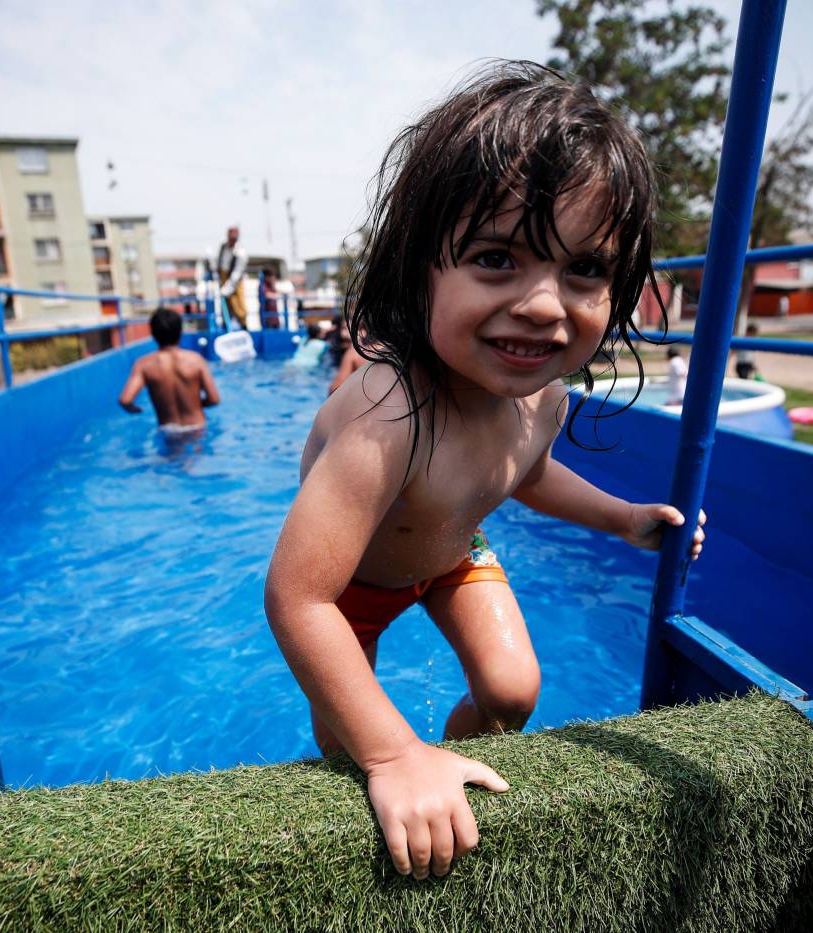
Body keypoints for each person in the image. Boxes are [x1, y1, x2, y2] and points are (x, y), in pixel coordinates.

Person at [264, 62, 706, 883]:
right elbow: (299, 595)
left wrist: (624, 518)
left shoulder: (543, 399)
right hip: (350, 583)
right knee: (345, 752)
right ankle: (407, 760)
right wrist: (389, 753)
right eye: (497, 257)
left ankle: (452, 768)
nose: (544, 302)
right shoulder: (388, 408)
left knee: (512, 690)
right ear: (418, 269)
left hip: (450, 554)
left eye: (584, 270)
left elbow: (526, 474)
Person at [118, 307, 220, 432]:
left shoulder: (144, 364)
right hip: (197, 427)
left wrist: (135, 410)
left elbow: (125, 400)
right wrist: (195, 405)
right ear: (180, 331)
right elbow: (214, 399)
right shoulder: (196, 360)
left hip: (168, 430)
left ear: (153, 333)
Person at [216, 226, 249, 330]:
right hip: (223, 277)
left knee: (239, 306)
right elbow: (220, 264)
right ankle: (225, 326)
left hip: (235, 281)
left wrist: (227, 288)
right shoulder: (223, 247)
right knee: (225, 306)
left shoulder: (240, 253)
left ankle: (244, 327)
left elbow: (237, 273)